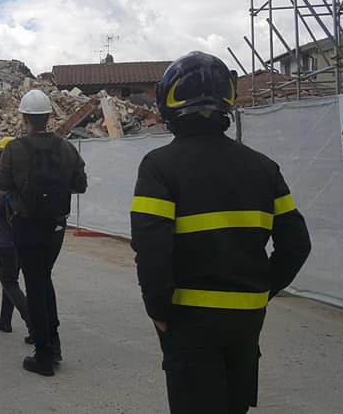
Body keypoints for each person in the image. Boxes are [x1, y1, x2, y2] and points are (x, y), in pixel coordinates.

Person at [130, 52, 312, 414]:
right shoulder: (264, 167)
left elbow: (153, 250)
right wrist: (259, 290)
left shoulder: (159, 166)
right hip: (246, 320)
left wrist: (158, 309)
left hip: (188, 319)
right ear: (227, 102)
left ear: (169, 102)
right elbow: (297, 244)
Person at [0, 89, 87, 376]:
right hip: (55, 226)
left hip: (26, 224)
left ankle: (44, 355)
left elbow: (2, 187)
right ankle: (54, 344)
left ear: (24, 118)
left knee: (34, 284)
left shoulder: (13, 149)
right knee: (44, 278)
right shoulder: (66, 148)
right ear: (49, 116)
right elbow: (81, 184)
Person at [0, 137, 33, 343]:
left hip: (5, 238)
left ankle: (34, 323)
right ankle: (5, 319)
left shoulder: (2, 178)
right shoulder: (26, 176)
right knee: (11, 279)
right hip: (23, 236)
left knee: (9, 282)